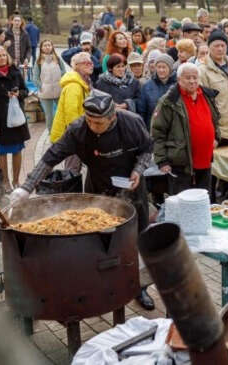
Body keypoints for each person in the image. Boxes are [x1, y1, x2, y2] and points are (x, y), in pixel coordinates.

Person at [11, 90, 156, 310]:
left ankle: (139, 287)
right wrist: (26, 187)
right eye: (89, 120)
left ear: (113, 117)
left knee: (135, 239)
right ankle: (101, 285)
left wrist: (138, 170)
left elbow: (147, 150)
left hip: (131, 187)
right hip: (98, 189)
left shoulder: (132, 123)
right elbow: (51, 157)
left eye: (98, 122)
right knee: (98, 241)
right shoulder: (78, 130)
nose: (93, 126)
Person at [152, 62, 220, 195]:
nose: (192, 81)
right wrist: (162, 161)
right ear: (179, 80)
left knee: (203, 199)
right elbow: (157, 132)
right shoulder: (169, 101)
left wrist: (216, 137)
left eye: (195, 77)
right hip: (180, 163)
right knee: (182, 202)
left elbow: (215, 119)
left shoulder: (207, 95)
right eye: (187, 78)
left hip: (205, 159)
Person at [0, 45, 30, 191]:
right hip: (1, 119)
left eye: (4, 55)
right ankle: (5, 181)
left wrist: (18, 94)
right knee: (2, 150)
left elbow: (26, 90)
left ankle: (16, 180)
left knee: (17, 149)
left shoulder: (15, 72)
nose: (2, 58)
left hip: (17, 118)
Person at [32, 39, 66, 132]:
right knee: (49, 115)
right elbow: (35, 77)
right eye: (45, 45)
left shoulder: (58, 59)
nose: (47, 47)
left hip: (59, 90)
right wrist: (41, 86)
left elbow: (64, 72)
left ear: (52, 47)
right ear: (41, 48)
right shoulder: (38, 61)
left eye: (49, 45)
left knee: (62, 112)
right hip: (45, 92)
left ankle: (63, 131)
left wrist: (61, 82)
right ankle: (51, 133)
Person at [137, 54, 176, 127]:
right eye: (159, 67)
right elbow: (141, 111)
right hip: (153, 128)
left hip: (173, 128)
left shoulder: (177, 85)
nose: (161, 70)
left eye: (164, 67)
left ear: (170, 68)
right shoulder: (147, 86)